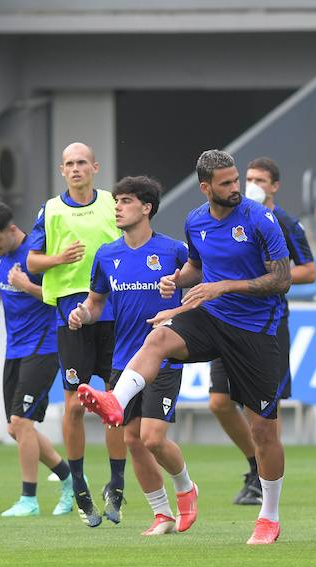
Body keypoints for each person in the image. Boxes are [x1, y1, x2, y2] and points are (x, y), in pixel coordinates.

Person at [76, 149, 291, 545]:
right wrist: (176, 280)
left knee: (263, 431)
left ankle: (269, 516)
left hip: (255, 329)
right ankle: (115, 401)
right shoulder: (196, 221)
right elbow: (195, 266)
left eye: (236, 180)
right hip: (211, 316)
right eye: (226, 183)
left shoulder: (260, 219)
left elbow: (281, 280)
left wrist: (223, 286)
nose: (236, 188)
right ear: (205, 187)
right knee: (158, 335)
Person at [69, 175, 199, 537]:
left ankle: (186, 487)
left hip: (165, 357)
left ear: (146, 208)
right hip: (123, 361)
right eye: (116, 202)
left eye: (125, 201)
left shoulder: (173, 251)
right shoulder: (106, 254)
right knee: (131, 441)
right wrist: (82, 314)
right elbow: (96, 303)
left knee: (153, 438)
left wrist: (178, 309)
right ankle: (162, 514)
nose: (117, 208)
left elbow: (199, 290)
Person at [26, 142, 127, 527]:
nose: (75, 168)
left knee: (114, 404)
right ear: (61, 170)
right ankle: (79, 484)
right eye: (69, 163)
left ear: (95, 167)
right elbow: (32, 262)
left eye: (82, 162)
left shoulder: (112, 204)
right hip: (71, 313)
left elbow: (133, 243)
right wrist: (59, 258)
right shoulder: (50, 210)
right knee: (73, 406)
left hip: (115, 311)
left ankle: (116, 484)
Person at [209, 157, 316, 506]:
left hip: (267, 322)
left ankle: (266, 480)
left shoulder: (285, 223)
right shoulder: (234, 217)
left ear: (274, 186)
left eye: (259, 180)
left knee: (268, 409)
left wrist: (272, 274)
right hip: (226, 319)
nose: (252, 185)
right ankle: (256, 464)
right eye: (249, 178)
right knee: (220, 402)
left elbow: (309, 271)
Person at [0, 200, 75, 518]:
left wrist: (25, 284)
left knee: (21, 422)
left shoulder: (35, 255)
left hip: (44, 345)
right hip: (14, 348)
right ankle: (70, 479)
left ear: (12, 230)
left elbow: (56, 297)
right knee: (15, 428)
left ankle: (29, 499)